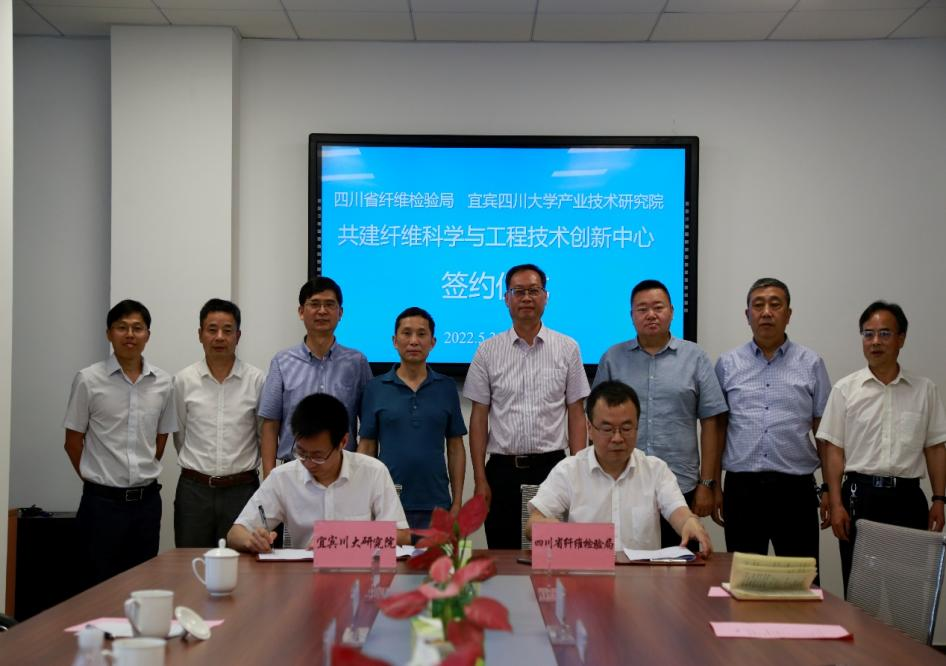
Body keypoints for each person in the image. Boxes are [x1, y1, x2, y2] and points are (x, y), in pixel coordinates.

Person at [819, 301, 946, 594]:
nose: (875, 341)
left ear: (901, 339)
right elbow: (833, 450)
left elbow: (935, 448)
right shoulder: (845, 389)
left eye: (885, 334)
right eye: (868, 334)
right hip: (860, 498)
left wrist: (939, 499)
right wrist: (836, 504)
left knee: (908, 593)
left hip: (907, 500)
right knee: (862, 595)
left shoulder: (924, 390)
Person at [464, 263, 590, 549]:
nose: (526, 298)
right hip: (502, 471)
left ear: (545, 297)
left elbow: (576, 413)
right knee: (503, 554)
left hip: (552, 469)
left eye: (534, 291)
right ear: (506, 299)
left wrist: (578, 471)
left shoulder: (568, 347)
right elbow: (479, 418)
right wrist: (480, 478)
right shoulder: (487, 351)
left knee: (551, 556)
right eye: (518, 291)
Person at [593, 279, 727, 547]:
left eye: (658, 307)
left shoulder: (695, 357)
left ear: (672, 311)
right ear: (632, 315)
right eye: (642, 309)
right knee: (623, 563)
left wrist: (707, 483)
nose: (651, 315)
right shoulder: (612, 358)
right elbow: (596, 421)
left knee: (681, 564)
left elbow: (711, 423)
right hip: (622, 483)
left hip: (681, 484)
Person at [715, 278, 831, 569]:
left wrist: (830, 488)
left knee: (801, 582)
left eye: (775, 305)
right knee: (744, 580)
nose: (766, 312)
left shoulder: (811, 363)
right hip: (742, 489)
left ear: (788, 314)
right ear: (747, 315)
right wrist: (713, 484)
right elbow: (718, 429)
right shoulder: (727, 364)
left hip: (795, 490)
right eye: (758, 305)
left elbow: (824, 432)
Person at [63, 299, 177, 586]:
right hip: (101, 505)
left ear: (147, 335)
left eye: (137, 328)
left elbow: (160, 439)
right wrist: (97, 479)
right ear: (108, 333)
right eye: (122, 327)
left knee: (142, 585)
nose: (130, 334)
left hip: (146, 504)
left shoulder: (163, 383)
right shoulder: (88, 380)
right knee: (95, 587)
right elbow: (72, 442)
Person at [527, 381, 712, 555]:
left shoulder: (656, 470)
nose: (617, 438)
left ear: (637, 427)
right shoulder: (568, 471)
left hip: (641, 577)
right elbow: (532, 524)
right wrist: (544, 526)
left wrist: (689, 522)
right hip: (585, 575)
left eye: (626, 428)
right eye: (607, 429)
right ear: (590, 428)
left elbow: (677, 511)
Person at [228, 393, 409, 553]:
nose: (308, 463)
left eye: (318, 456)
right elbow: (235, 534)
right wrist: (252, 540)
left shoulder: (373, 472)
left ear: (343, 442)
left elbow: (402, 536)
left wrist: (343, 540)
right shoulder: (283, 477)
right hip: (304, 574)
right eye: (301, 452)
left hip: (359, 574)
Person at [358, 307, 466, 530]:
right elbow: (367, 447)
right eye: (406, 333)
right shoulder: (375, 388)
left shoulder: (446, 387)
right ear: (394, 341)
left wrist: (457, 502)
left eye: (421, 334)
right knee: (389, 555)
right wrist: (362, 500)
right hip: (386, 501)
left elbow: (456, 447)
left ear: (433, 342)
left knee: (437, 555)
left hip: (437, 503)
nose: (414, 341)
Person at [172, 298, 266, 547]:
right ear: (200, 334)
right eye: (212, 330)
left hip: (242, 491)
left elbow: (262, 435)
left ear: (238, 335)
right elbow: (180, 435)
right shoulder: (183, 380)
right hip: (194, 491)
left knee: (243, 563)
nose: (220, 337)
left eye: (227, 330)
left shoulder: (257, 380)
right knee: (189, 561)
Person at [258, 277, 372, 479]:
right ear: (301, 311)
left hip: (343, 471)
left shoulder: (357, 362)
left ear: (340, 313)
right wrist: (269, 478)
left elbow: (369, 425)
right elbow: (270, 424)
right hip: (293, 470)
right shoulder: (282, 361)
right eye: (315, 304)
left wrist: (359, 474)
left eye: (329, 305)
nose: (322, 311)